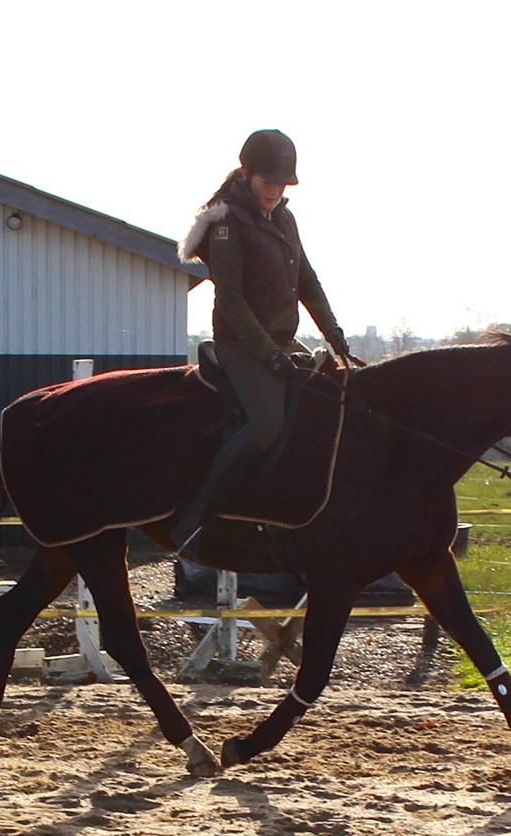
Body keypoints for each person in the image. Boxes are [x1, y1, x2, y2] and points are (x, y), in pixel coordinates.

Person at [173, 129, 355, 551]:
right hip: (241, 347)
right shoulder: (225, 224)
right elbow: (231, 300)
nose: (275, 190)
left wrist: (334, 333)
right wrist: (269, 356)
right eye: (267, 181)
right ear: (247, 172)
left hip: (282, 342)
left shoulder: (285, 218)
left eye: (282, 183)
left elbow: (306, 281)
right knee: (268, 424)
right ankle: (197, 510)